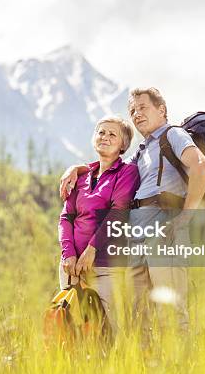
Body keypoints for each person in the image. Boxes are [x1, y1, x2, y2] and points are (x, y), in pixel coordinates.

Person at [60, 88, 205, 331]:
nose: (137, 114)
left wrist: (185, 217)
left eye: (143, 107)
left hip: (165, 226)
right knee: (138, 316)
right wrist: (77, 169)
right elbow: (110, 164)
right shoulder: (142, 151)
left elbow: (201, 168)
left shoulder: (174, 134)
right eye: (132, 110)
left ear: (161, 110)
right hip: (137, 236)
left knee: (171, 311)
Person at [58, 115, 144, 335]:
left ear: (123, 145)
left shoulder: (127, 172)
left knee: (109, 330)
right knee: (72, 330)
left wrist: (91, 251)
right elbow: (66, 217)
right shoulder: (81, 176)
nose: (104, 136)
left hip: (105, 264)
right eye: (101, 132)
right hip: (71, 266)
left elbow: (118, 213)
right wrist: (68, 254)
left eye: (112, 134)